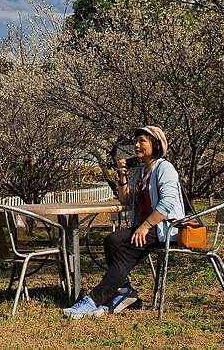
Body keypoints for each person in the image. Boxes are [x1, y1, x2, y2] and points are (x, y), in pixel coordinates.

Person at [62, 125, 185, 319]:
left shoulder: (164, 168)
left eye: (142, 141)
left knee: (126, 250)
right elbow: (126, 200)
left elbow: (168, 204)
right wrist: (123, 176)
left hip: (165, 228)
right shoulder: (141, 171)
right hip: (146, 227)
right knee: (112, 241)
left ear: (156, 145)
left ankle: (94, 299)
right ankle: (124, 289)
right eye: (136, 141)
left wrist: (145, 226)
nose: (136, 145)